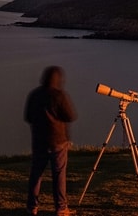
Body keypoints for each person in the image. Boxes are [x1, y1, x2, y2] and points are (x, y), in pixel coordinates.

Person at [25, 65, 78, 216]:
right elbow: (70, 116)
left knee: (36, 174)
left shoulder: (34, 95)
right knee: (59, 175)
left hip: (39, 141)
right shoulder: (59, 95)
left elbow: (28, 117)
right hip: (58, 141)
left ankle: (32, 207)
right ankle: (61, 208)